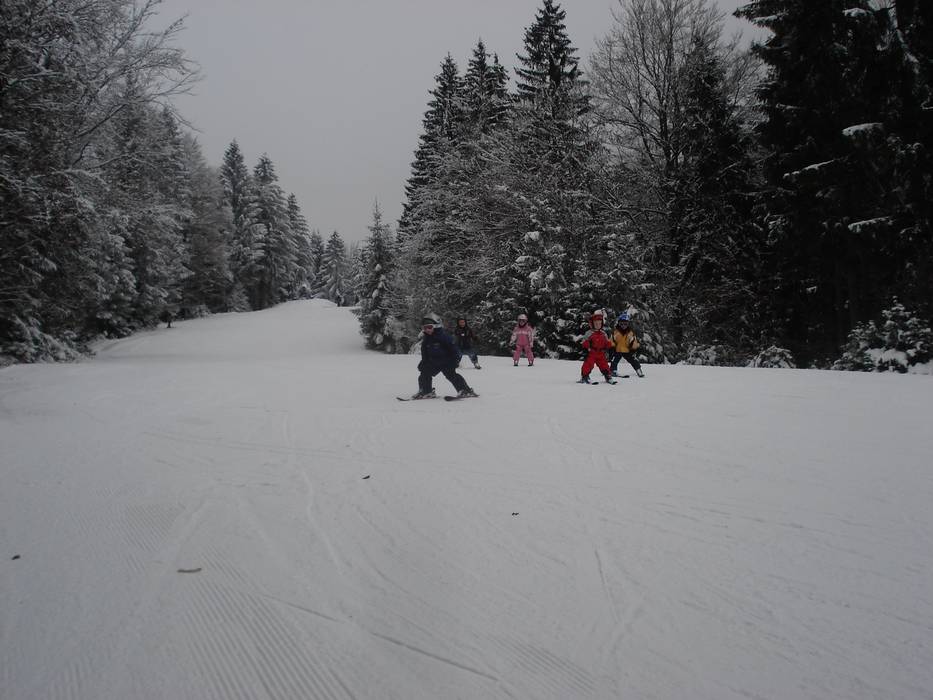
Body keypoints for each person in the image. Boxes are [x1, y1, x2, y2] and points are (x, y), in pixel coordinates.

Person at [411, 316, 477, 399]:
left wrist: (455, 360)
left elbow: (454, 349)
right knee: (424, 373)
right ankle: (426, 391)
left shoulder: (444, 337)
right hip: (434, 362)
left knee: (452, 375)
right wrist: (424, 362)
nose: (427, 330)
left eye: (429, 327)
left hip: (447, 362)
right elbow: (425, 353)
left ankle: (465, 391)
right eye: (425, 328)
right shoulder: (426, 339)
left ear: (436, 326)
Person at [579, 310, 616, 384]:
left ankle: (607, 375)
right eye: (596, 324)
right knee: (588, 364)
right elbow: (584, 342)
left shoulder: (603, 333)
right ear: (592, 324)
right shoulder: (589, 333)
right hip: (592, 352)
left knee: (604, 364)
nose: (598, 325)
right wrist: (585, 349)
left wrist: (610, 347)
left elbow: (607, 342)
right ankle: (585, 376)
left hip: (601, 353)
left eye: (599, 323)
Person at [610, 313, 645, 377]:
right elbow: (612, 340)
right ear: (619, 323)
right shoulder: (615, 332)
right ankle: (613, 370)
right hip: (618, 350)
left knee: (633, 360)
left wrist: (634, 348)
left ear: (628, 324)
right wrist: (612, 348)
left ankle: (638, 370)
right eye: (621, 324)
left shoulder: (630, 333)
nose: (623, 326)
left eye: (625, 324)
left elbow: (633, 341)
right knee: (614, 360)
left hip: (627, 350)